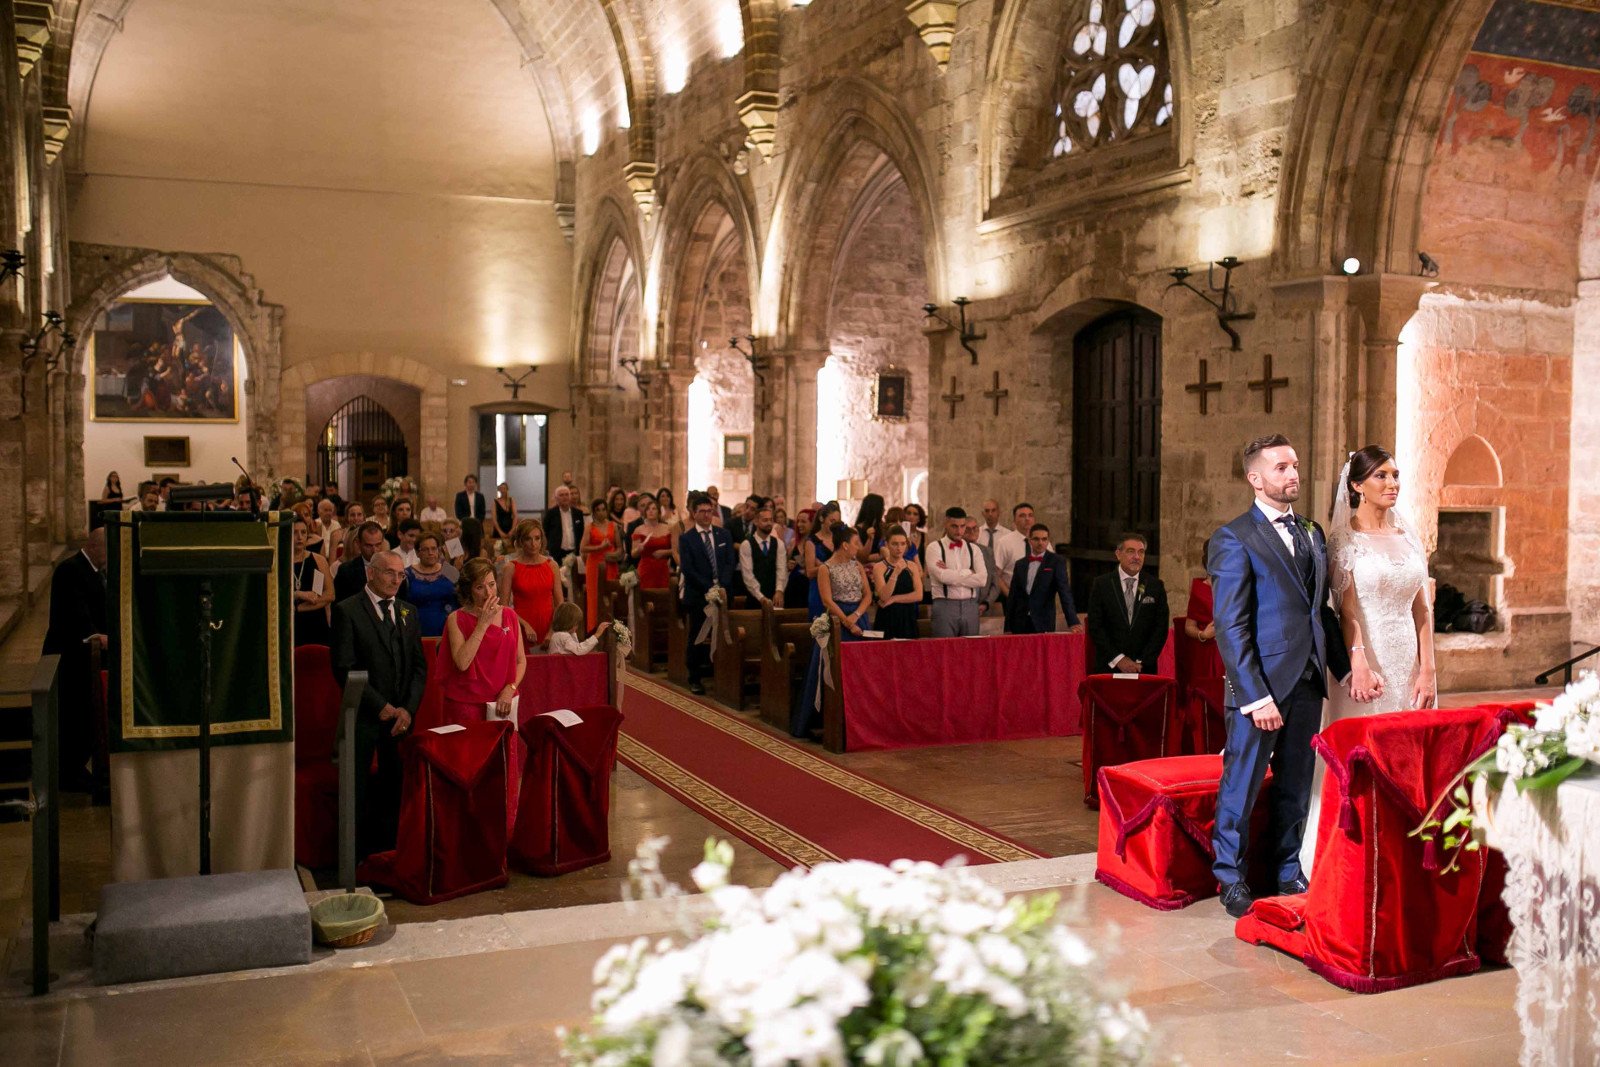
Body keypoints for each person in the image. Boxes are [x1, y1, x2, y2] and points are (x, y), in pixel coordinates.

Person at [1208, 434, 1350, 919]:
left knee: (1296, 783)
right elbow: (1231, 626)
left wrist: (1343, 670)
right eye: (1281, 468)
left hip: (1307, 680)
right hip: (1260, 689)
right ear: (1255, 478)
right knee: (1241, 785)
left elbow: (1319, 610)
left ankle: (1289, 871)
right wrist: (1255, 696)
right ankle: (1230, 878)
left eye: (1295, 465)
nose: (1293, 475)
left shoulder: (1311, 532)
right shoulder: (1233, 538)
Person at [1300, 445, 1434, 875]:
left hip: (1407, 661)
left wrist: (1428, 669)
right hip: (1367, 660)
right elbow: (1348, 611)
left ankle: (1400, 851)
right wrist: (1357, 662)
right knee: (1362, 752)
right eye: (1381, 476)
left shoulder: (1409, 537)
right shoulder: (1344, 541)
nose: (1392, 484)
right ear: (1356, 486)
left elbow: (1422, 608)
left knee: (1406, 753)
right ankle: (1349, 855)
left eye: (1395, 475)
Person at [330, 549, 426, 861]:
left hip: (400, 719)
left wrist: (407, 709)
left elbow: (418, 667)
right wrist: (380, 706)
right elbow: (343, 668)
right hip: (362, 716)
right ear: (371, 573)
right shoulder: (347, 610)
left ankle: (390, 855)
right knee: (356, 789)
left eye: (401, 575)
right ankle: (355, 859)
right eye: (389, 573)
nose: (396, 580)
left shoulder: (408, 611)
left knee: (395, 787)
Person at [433, 556, 526, 833]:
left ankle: (503, 833)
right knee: (468, 774)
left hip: (500, 707)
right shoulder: (456, 619)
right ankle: (465, 833)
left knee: (502, 773)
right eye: (480, 587)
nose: (488, 593)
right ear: (468, 590)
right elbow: (462, 662)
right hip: (465, 708)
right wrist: (482, 624)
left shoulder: (510, 616)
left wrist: (510, 689)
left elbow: (521, 660)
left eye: (492, 584)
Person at [42, 528, 108, 792]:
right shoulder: (70, 570)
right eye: (107, 550)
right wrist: (96, 634)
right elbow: (75, 612)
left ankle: (78, 769)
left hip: (85, 656)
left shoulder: (93, 570)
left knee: (85, 714)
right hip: (69, 653)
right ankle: (69, 773)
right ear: (94, 546)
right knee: (72, 715)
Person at [794, 525, 871, 737]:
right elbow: (827, 600)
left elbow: (867, 595)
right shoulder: (825, 569)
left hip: (859, 618)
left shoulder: (857, 566)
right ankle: (829, 719)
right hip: (837, 621)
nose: (858, 547)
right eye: (856, 543)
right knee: (833, 670)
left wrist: (856, 617)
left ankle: (860, 720)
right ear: (845, 545)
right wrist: (847, 622)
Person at [677, 492, 737, 695]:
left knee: (724, 634)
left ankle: (722, 674)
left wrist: (722, 585)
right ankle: (694, 677)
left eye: (709, 511)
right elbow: (688, 569)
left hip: (723, 592)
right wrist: (710, 588)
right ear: (694, 513)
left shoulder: (723, 534)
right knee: (697, 636)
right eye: (702, 511)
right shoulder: (687, 538)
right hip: (698, 595)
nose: (706, 515)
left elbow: (730, 562)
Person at [1085, 532, 1169, 674]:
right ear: (1118, 554)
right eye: (1131, 551)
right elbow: (1095, 627)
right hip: (1109, 668)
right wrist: (1119, 660)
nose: (1137, 557)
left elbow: (1160, 629)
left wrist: (1141, 662)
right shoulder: (1101, 584)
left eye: (1141, 552)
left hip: (1143, 669)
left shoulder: (1155, 586)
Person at [1004, 523, 1081, 634]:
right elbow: (1013, 597)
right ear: (1029, 540)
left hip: (1044, 621)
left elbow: (1064, 592)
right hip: (1020, 622)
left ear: (1048, 541)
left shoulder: (1056, 561)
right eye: (1036, 539)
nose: (1040, 543)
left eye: (1044, 539)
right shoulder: (1020, 564)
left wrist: (1073, 622)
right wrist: (1008, 627)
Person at [926, 507, 987, 637]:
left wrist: (950, 573)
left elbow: (982, 580)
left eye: (962, 526)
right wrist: (968, 572)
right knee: (944, 647)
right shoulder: (934, 548)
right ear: (945, 523)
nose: (959, 531)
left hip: (970, 605)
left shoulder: (974, 549)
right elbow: (943, 577)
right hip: (944, 605)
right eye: (954, 526)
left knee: (971, 647)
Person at [502, 518, 562, 648]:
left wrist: (551, 632)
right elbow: (504, 607)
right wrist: (525, 625)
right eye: (528, 539)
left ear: (542, 540)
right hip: (521, 627)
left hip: (549, 627)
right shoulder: (511, 567)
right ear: (520, 542)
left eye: (537, 538)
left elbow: (560, 604)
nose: (533, 544)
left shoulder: (552, 566)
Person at [290, 514, 335, 647]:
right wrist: (297, 594)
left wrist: (298, 608)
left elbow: (330, 595)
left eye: (303, 532)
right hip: (291, 625)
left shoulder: (318, 560)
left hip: (316, 622)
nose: (299, 537)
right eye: (295, 533)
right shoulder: (281, 562)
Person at [871, 528, 923, 639]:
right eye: (895, 544)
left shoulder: (912, 566)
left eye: (903, 544)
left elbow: (919, 595)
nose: (899, 548)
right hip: (887, 617)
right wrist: (895, 573)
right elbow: (884, 596)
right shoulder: (879, 567)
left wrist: (894, 599)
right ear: (887, 544)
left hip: (907, 616)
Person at [406, 532, 459, 638]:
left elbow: (462, 595)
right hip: (417, 628)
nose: (430, 553)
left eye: (434, 549)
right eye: (425, 549)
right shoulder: (408, 574)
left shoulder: (449, 570)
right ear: (417, 553)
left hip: (449, 627)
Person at [582, 497, 622, 629]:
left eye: (603, 509)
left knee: (610, 595)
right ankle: (594, 627)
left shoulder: (613, 526)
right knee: (594, 596)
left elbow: (619, 547)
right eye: (598, 510)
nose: (601, 512)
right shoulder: (589, 527)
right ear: (594, 512)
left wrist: (614, 554)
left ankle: (611, 627)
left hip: (610, 563)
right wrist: (600, 547)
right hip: (594, 564)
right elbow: (583, 548)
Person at [737, 506, 788, 606]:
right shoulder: (746, 545)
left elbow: (782, 569)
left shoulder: (779, 543)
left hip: (775, 597)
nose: (769, 523)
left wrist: (779, 590)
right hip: (754, 597)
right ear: (756, 522)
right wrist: (760, 597)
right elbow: (747, 575)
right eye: (765, 520)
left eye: (770, 520)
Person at [802, 503, 841, 620]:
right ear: (821, 519)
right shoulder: (812, 542)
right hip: (818, 590)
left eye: (837, 521)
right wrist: (829, 566)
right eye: (831, 521)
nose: (834, 525)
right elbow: (810, 572)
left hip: (838, 589)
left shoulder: (840, 540)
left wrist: (823, 565)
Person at [335, 521, 390, 602]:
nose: (374, 551)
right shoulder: (346, 571)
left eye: (378, 545)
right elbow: (339, 604)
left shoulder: (392, 568)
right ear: (358, 543)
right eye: (368, 546)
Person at [963, 516, 1004, 620]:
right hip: (961, 606)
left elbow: (995, 583)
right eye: (967, 529)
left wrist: (986, 604)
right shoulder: (955, 551)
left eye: (975, 528)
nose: (972, 532)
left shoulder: (987, 552)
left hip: (983, 608)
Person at [631, 498, 674, 590]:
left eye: (654, 509)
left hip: (662, 568)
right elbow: (633, 554)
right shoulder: (639, 530)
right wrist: (638, 550)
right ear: (645, 512)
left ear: (659, 512)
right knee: (645, 594)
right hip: (645, 568)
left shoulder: (668, 528)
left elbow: (677, 549)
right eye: (648, 509)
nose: (650, 511)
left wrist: (665, 552)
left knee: (663, 595)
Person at [543, 484, 585, 568]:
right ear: (556, 498)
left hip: (574, 552)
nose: (564, 497)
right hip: (556, 553)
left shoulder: (578, 513)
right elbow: (544, 532)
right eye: (561, 495)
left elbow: (581, 533)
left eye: (566, 494)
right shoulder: (550, 514)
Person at [547, 601, 612, 654]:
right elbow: (579, 650)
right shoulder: (562, 636)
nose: (577, 627)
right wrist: (596, 635)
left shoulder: (558, 635)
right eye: (576, 624)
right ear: (569, 623)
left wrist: (573, 633)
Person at [784, 509, 814, 609]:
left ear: (812, 523)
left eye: (803, 522)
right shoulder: (794, 542)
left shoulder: (816, 544)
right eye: (798, 521)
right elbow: (786, 564)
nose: (799, 525)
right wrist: (789, 565)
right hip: (793, 588)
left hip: (809, 587)